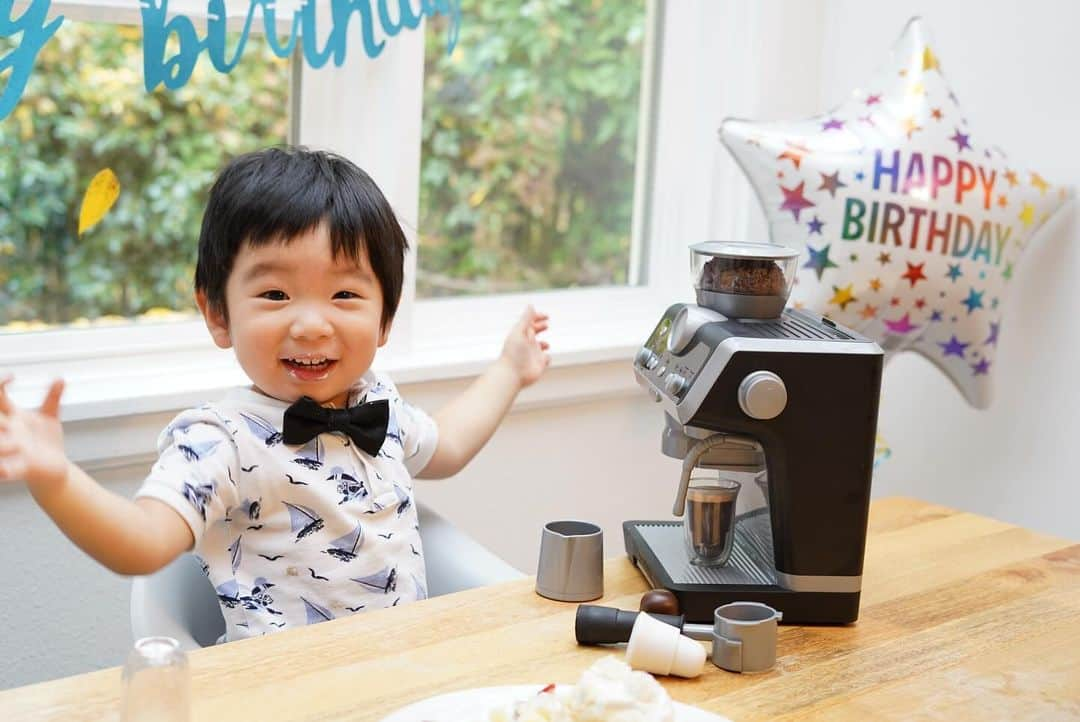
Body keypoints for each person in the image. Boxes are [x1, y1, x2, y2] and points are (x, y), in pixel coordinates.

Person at [0, 147, 550, 640]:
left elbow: (448, 445)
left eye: (343, 293)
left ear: (385, 318)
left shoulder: (374, 403)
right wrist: (55, 478)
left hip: (396, 678)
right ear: (218, 313)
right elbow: (142, 541)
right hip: (277, 695)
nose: (311, 323)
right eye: (275, 292)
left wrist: (509, 369)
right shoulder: (222, 440)